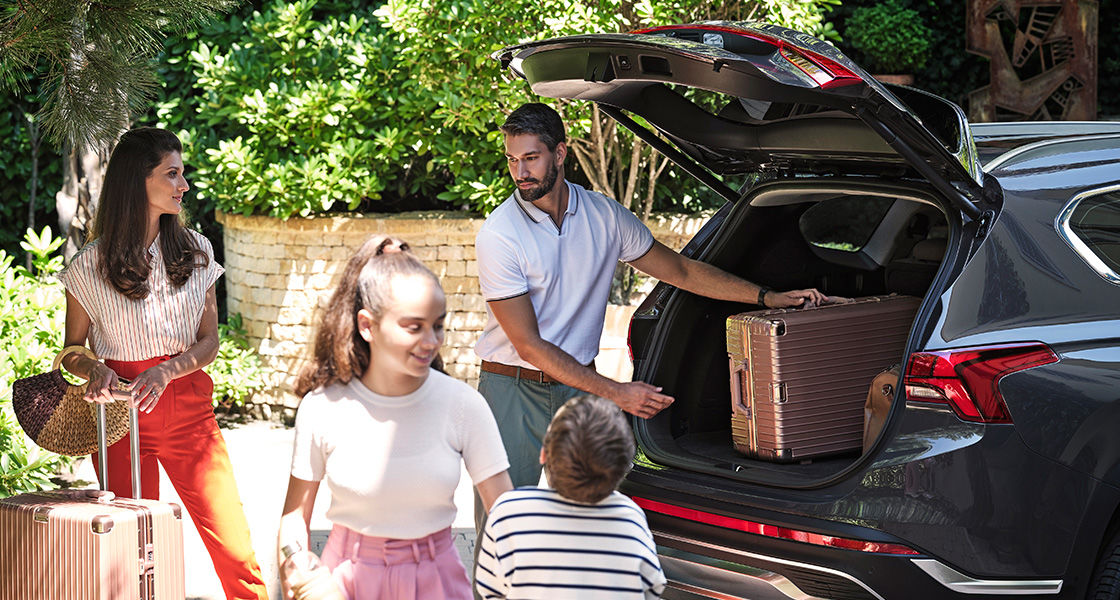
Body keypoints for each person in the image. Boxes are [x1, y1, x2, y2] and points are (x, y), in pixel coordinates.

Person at [474, 102, 829, 494]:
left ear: (560, 152)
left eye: (531, 158)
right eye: (512, 160)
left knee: (586, 518)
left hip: (580, 386)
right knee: (503, 524)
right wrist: (618, 393)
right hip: (513, 390)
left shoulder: (603, 216)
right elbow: (528, 345)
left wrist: (766, 297)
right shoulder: (500, 234)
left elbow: (681, 271)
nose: (520, 173)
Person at [57, 127, 268, 599]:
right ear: (138, 181)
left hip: (189, 412)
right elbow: (72, 349)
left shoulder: (197, 251)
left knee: (236, 552)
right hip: (117, 420)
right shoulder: (88, 265)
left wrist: (169, 369)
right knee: (134, 560)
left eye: (183, 173)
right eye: (173, 173)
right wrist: (95, 369)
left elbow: (209, 340)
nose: (184, 185)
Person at [278, 235, 514, 600]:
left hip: (439, 582)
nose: (432, 341)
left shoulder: (464, 405)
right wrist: (295, 566)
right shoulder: (322, 407)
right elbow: (294, 516)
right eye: (413, 326)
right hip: (344, 583)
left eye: (437, 325)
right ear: (367, 326)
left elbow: (505, 513)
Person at [475, 395, 666, 599]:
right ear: (622, 467)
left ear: (544, 454)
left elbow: (490, 590)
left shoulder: (509, 512)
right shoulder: (630, 518)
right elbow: (651, 588)